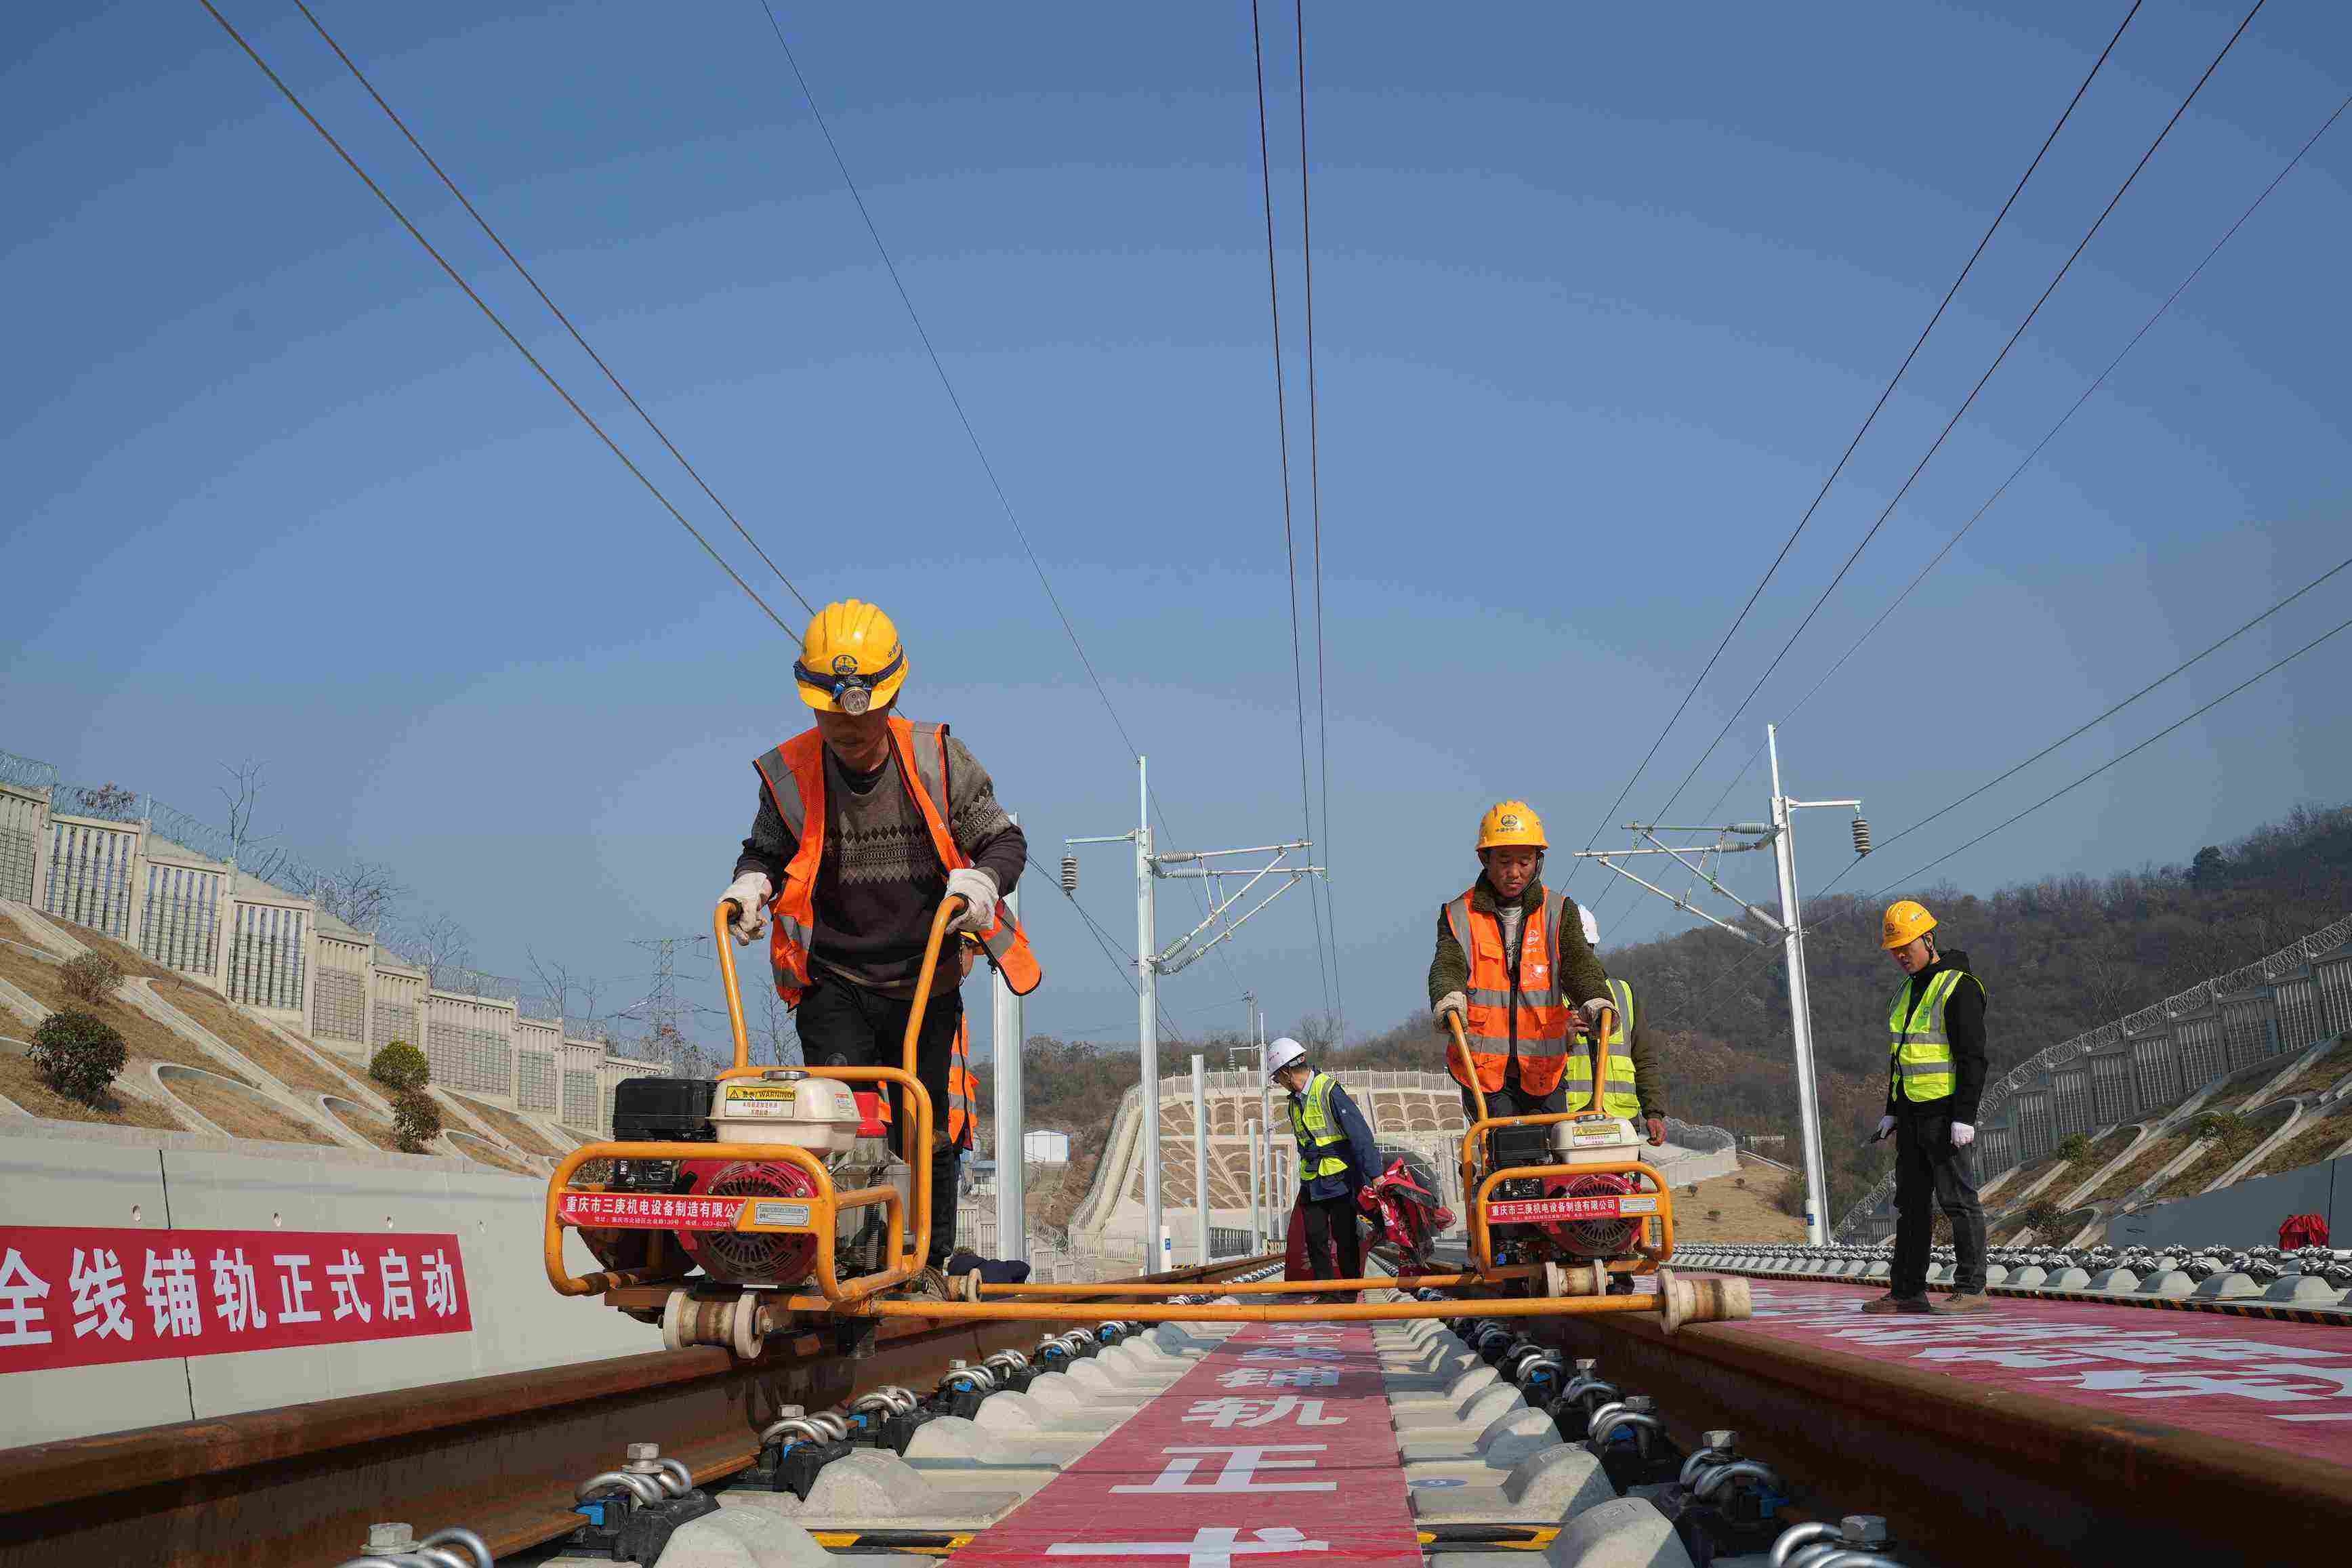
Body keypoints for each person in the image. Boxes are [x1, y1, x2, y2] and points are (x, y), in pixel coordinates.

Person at [722, 599, 1039, 1296]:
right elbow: (765, 850)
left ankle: (926, 1261)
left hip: (924, 977)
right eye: (832, 718)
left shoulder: (936, 758)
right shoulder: (792, 772)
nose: (849, 732)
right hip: (834, 976)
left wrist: (984, 880)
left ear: (890, 698)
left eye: (862, 719)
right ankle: (845, 1257)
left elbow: (1003, 839)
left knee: (926, 1120)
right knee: (842, 1122)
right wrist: (751, 884)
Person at [1427, 801, 1615, 1123]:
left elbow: (1578, 963)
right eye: (1504, 861)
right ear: (1485, 859)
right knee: (1505, 1147)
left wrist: (1596, 999)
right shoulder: (1458, 914)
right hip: (1483, 1069)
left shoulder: (1559, 911)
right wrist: (1448, 998)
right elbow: (1448, 963)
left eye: (1524, 862)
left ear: (1538, 862)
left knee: (1553, 1147)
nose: (1514, 873)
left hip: (1544, 1066)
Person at [1865, 899, 1991, 1316]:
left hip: (1945, 1114)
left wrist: (1964, 1117)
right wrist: (1891, 1110)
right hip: (1910, 1115)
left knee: (1958, 1201)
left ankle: (1971, 1289)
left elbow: (1973, 1059)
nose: (1901, 956)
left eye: (1907, 947)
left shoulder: (1959, 987)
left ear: (1929, 939)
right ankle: (1907, 1291)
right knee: (1911, 1206)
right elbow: (1901, 1058)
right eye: (1895, 950)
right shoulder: (1905, 992)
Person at [1269, 1037, 1382, 1296]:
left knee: (1345, 1236)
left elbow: (1360, 1133)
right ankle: (1327, 1292)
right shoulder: (1294, 1102)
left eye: (1277, 1078)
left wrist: (1375, 1174)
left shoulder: (1328, 1090)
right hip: (1313, 1179)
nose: (1278, 1083)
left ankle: (1350, 1290)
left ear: (1286, 1072)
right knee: (1314, 1237)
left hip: (1340, 1176)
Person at [1574, 915, 1668, 1148]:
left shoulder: (1623, 993)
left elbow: (1644, 1059)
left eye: (1586, 947)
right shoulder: (1548, 996)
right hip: (1569, 1121)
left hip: (1620, 1122)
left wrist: (1654, 1113)